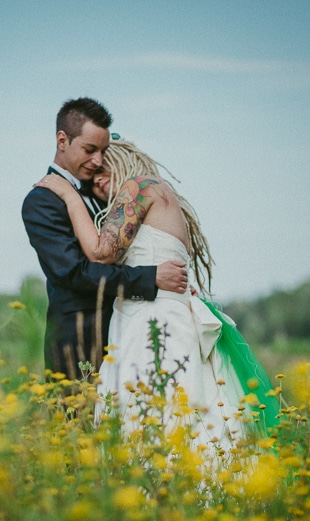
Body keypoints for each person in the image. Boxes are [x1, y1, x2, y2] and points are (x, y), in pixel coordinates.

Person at [35, 138, 276, 468]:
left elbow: (101, 254)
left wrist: (67, 194)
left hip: (151, 321)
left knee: (154, 411)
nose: (98, 182)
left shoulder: (140, 186)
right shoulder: (159, 198)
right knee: (169, 409)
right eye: (91, 182)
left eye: (103, 171)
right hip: (151, 313)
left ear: (123, 162)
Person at [21, 98, 190, 380]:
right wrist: (151, 278)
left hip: (128, 332)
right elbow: (75, 273)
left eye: (103, 152)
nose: (98, 161)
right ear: (62, 140)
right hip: (79, 342)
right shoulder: (42, 202)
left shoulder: (107, 194)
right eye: (89, 150)